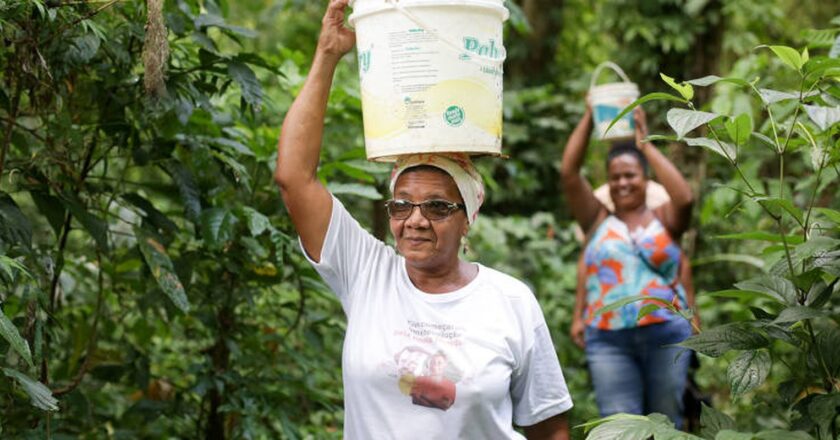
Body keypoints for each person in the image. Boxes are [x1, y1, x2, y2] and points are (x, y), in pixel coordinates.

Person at [274, 1, 573, 438]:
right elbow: (293, 178)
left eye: (437, 207)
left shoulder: (511, 303)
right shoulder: (367, 273)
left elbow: (550, 429)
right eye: (401, 205)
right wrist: (327, 54)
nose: (415, 220)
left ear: (467, 218)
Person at [560, 101, 695, 428]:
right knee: (619, 426)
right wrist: (590, 117)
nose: (622, 182)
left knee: (665, 422)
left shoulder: (664, 219)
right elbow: (568, 173)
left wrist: (645, 146)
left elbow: (686, 198)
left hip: (666, 330)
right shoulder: (597, 219)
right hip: (608, 338)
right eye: (615, 177)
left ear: (646, 179)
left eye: (631, 175)